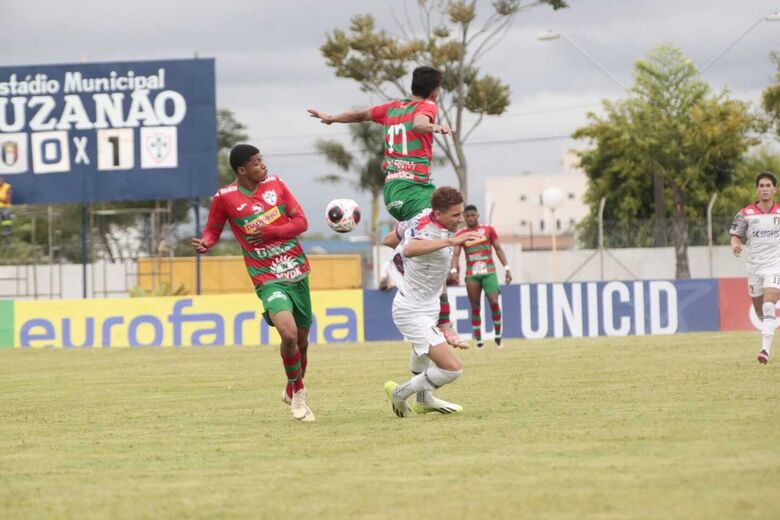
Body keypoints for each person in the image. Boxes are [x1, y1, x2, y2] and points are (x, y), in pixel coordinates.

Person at [307, 65, 468, 348]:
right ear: (435, 90)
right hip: (411, 190)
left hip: (398, 188)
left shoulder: (392, 108)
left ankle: (396, 239)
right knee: (441, 243)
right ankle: (443, 321)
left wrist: (332, 118)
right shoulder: (428, 106)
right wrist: (436, 126)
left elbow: (359, 115)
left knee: (414, 236)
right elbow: (419, 124)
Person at [192, 144, 315, 421]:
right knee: (289, 335)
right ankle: (299, 393)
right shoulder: (225, 197)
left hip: (297, 271)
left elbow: (301, 222)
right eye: (257, 162)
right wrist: (207, 243)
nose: (263, 165)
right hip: (267, 277)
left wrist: (273, 232)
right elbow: (213, 229)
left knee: (303, 343)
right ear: (242, 170)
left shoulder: (277, 185)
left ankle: (290, 388)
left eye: (262, 160)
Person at [383, 186, 480, 418]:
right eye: (455, 215)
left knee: (422, 353)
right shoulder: (435, 233)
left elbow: (389, 239)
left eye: (461, 213)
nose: (460, 219)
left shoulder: (421, 216)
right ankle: (399, 392)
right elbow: (410, 247)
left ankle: (424, 401)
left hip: (429, 304)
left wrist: (445, 320)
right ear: (438, 214)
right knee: (452, 370)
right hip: (411, 309)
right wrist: (451, 242)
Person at [730, 171, 780, 365]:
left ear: (774, 189)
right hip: (754, 269)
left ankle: (764, 351)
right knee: (761, 313)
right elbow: (736, 235)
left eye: (768, 186)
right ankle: (767, 336)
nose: (765, 189)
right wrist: (735, 244)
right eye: (761, 186)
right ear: (757, 189)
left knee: (769, 305)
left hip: (775, 266)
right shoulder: (745, 214)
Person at [450, 205, 512, 349]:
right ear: (464, 218)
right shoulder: (461, 234)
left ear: (478, 215)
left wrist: (507, 269)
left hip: (489, 272)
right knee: (475, 306)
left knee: (494, 301)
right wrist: (453, 269)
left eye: (473, 215)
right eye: (468, 216)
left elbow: (498, 248)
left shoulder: (488, 229)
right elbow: (456, 254)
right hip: (472, 275)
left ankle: (498, 338)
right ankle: (479, 341)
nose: (471, 218)